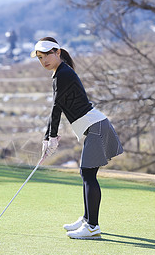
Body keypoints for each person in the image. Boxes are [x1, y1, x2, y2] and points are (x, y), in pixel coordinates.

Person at [30, 37, 123, 239]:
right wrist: (50, 137)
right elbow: (60, 107)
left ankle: (92, 226)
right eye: (39, 57)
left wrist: (51, 137)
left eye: (47, 55)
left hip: (97, 126)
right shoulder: (60, 73)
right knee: (86, 174)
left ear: (58, 53)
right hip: (95, 126)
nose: (44, 60)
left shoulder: (63, 74)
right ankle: (87, 219)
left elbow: (56, 107)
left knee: (88, 174)